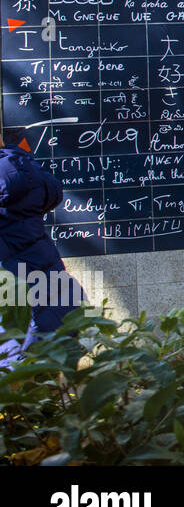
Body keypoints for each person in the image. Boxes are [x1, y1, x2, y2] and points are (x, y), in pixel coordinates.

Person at [0, 145, 85, 367]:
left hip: (18, 313)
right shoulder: (29, 173)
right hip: (59, 295)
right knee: (52, 386)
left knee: (18, 384)